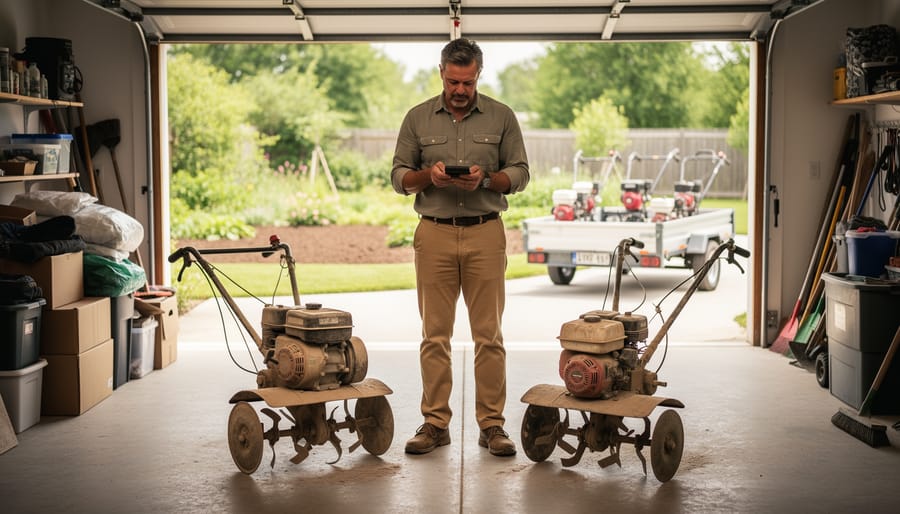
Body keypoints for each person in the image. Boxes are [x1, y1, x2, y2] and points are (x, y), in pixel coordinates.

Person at [390, 38, 530, 457]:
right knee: (435, 336)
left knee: (489, 337)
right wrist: (427, 177)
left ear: (478, 76)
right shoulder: (417, 118)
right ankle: (435, 424)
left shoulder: (502, 116)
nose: (460, 91)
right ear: (441, 74)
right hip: (433, 232)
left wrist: (485, 179)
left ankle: (492, 426)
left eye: (467, 83)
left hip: (486, 232)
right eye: (453, 81)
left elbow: (520, 173)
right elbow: (398, 176)